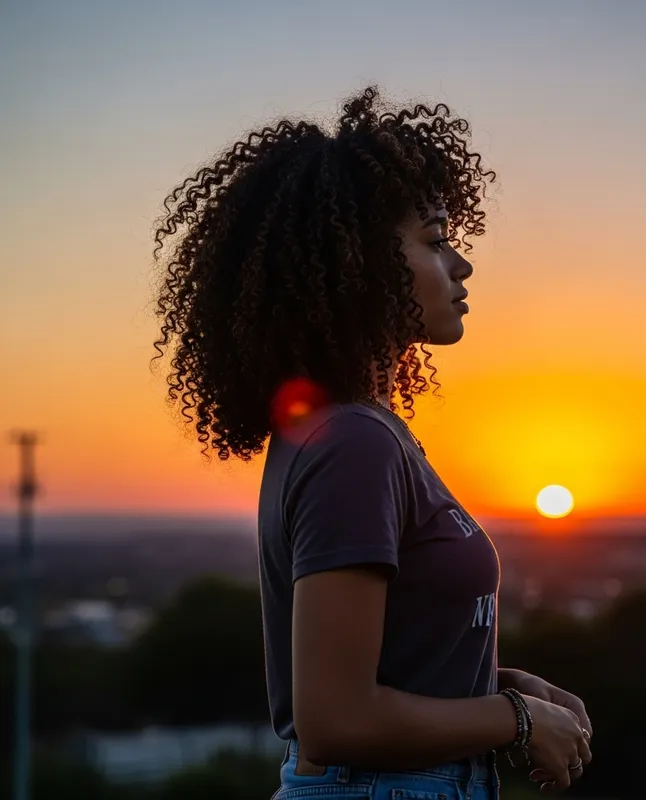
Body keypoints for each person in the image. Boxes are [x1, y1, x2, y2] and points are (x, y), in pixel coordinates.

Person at [150, 86, 593, 798]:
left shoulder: (361, 431)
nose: (461, 265)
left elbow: (388, 665)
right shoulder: (353, 444)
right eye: (435, 240)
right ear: (356, 261)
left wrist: (502, 686)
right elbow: (336, 719)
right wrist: (514, 720)